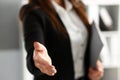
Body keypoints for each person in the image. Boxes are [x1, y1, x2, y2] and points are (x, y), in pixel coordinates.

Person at [19, 0, 104, 80]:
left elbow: (85, 41)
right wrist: (37, 60)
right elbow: (33, 50)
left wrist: (96, 61)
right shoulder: (33, 13)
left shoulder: (78, 6)